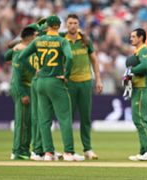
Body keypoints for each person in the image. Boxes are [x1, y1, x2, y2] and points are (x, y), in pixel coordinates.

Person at [19, 15, 84, 161]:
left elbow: (22, 56)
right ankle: (69, 152)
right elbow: (70, 57)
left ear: (47, 26)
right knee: (65, 118)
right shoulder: (62, 41)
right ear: (59, 26)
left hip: (41, 82)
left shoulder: (38, 40)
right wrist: (66, 75)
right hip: (55, 81)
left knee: (44, 119)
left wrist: (36, 68)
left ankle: (48, 153)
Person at [64, 13, 103, 160]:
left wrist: (98, 80)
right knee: (68, 118)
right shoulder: (63, 40)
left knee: (85, 117)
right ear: (66, 25)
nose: (72, 25)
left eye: (75, 23)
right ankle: (69, 150)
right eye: (70, 23)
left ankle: (87, 149)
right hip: (69, 83)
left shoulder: (85, 40)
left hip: (86, 81)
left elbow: (94, 60)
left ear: (78, 24)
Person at [5, 25, 38, 160]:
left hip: (29, 86)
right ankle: (18, 151)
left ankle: (24, 149)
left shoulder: (25, 49)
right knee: (22, 121)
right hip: (21, 87)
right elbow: (17, 77)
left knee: (28, 121)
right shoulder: (20, 51)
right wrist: (22, 93)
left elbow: (7, 55)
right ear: (30, 38)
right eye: (36, 36)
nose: (38, 38)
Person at [127, 28, 147, 161]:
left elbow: (145, 65)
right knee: (139, 119)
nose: (131, 38)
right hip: (138, 88)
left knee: (140, 119)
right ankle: (144, 149)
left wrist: (130, 71)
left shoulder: (144, 50)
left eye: (133, 36)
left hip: (143, 88)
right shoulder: (137, 51)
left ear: (140, 38)